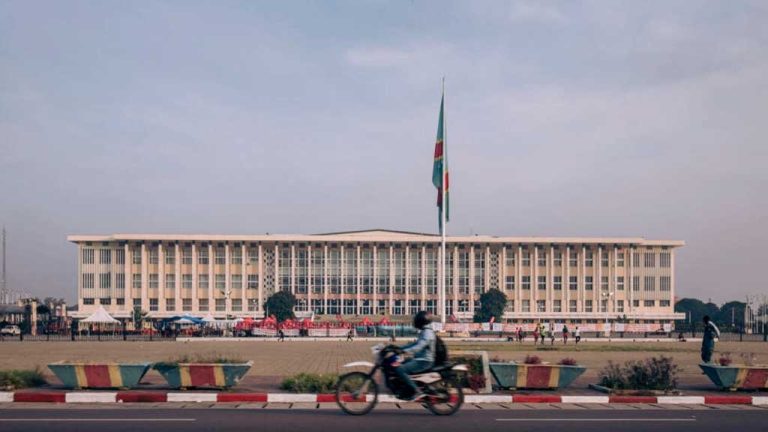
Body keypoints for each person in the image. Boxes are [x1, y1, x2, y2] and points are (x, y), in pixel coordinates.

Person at [394, 311, 436, 401]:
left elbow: (418, 347)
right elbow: (414, 344)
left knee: (400, 369)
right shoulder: (425, 332)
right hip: (420, 359)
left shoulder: (427, 333)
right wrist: (399, 348)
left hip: (424, 361)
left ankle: (417, 391)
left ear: (421, 321)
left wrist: (404, 351)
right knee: (399, 364)